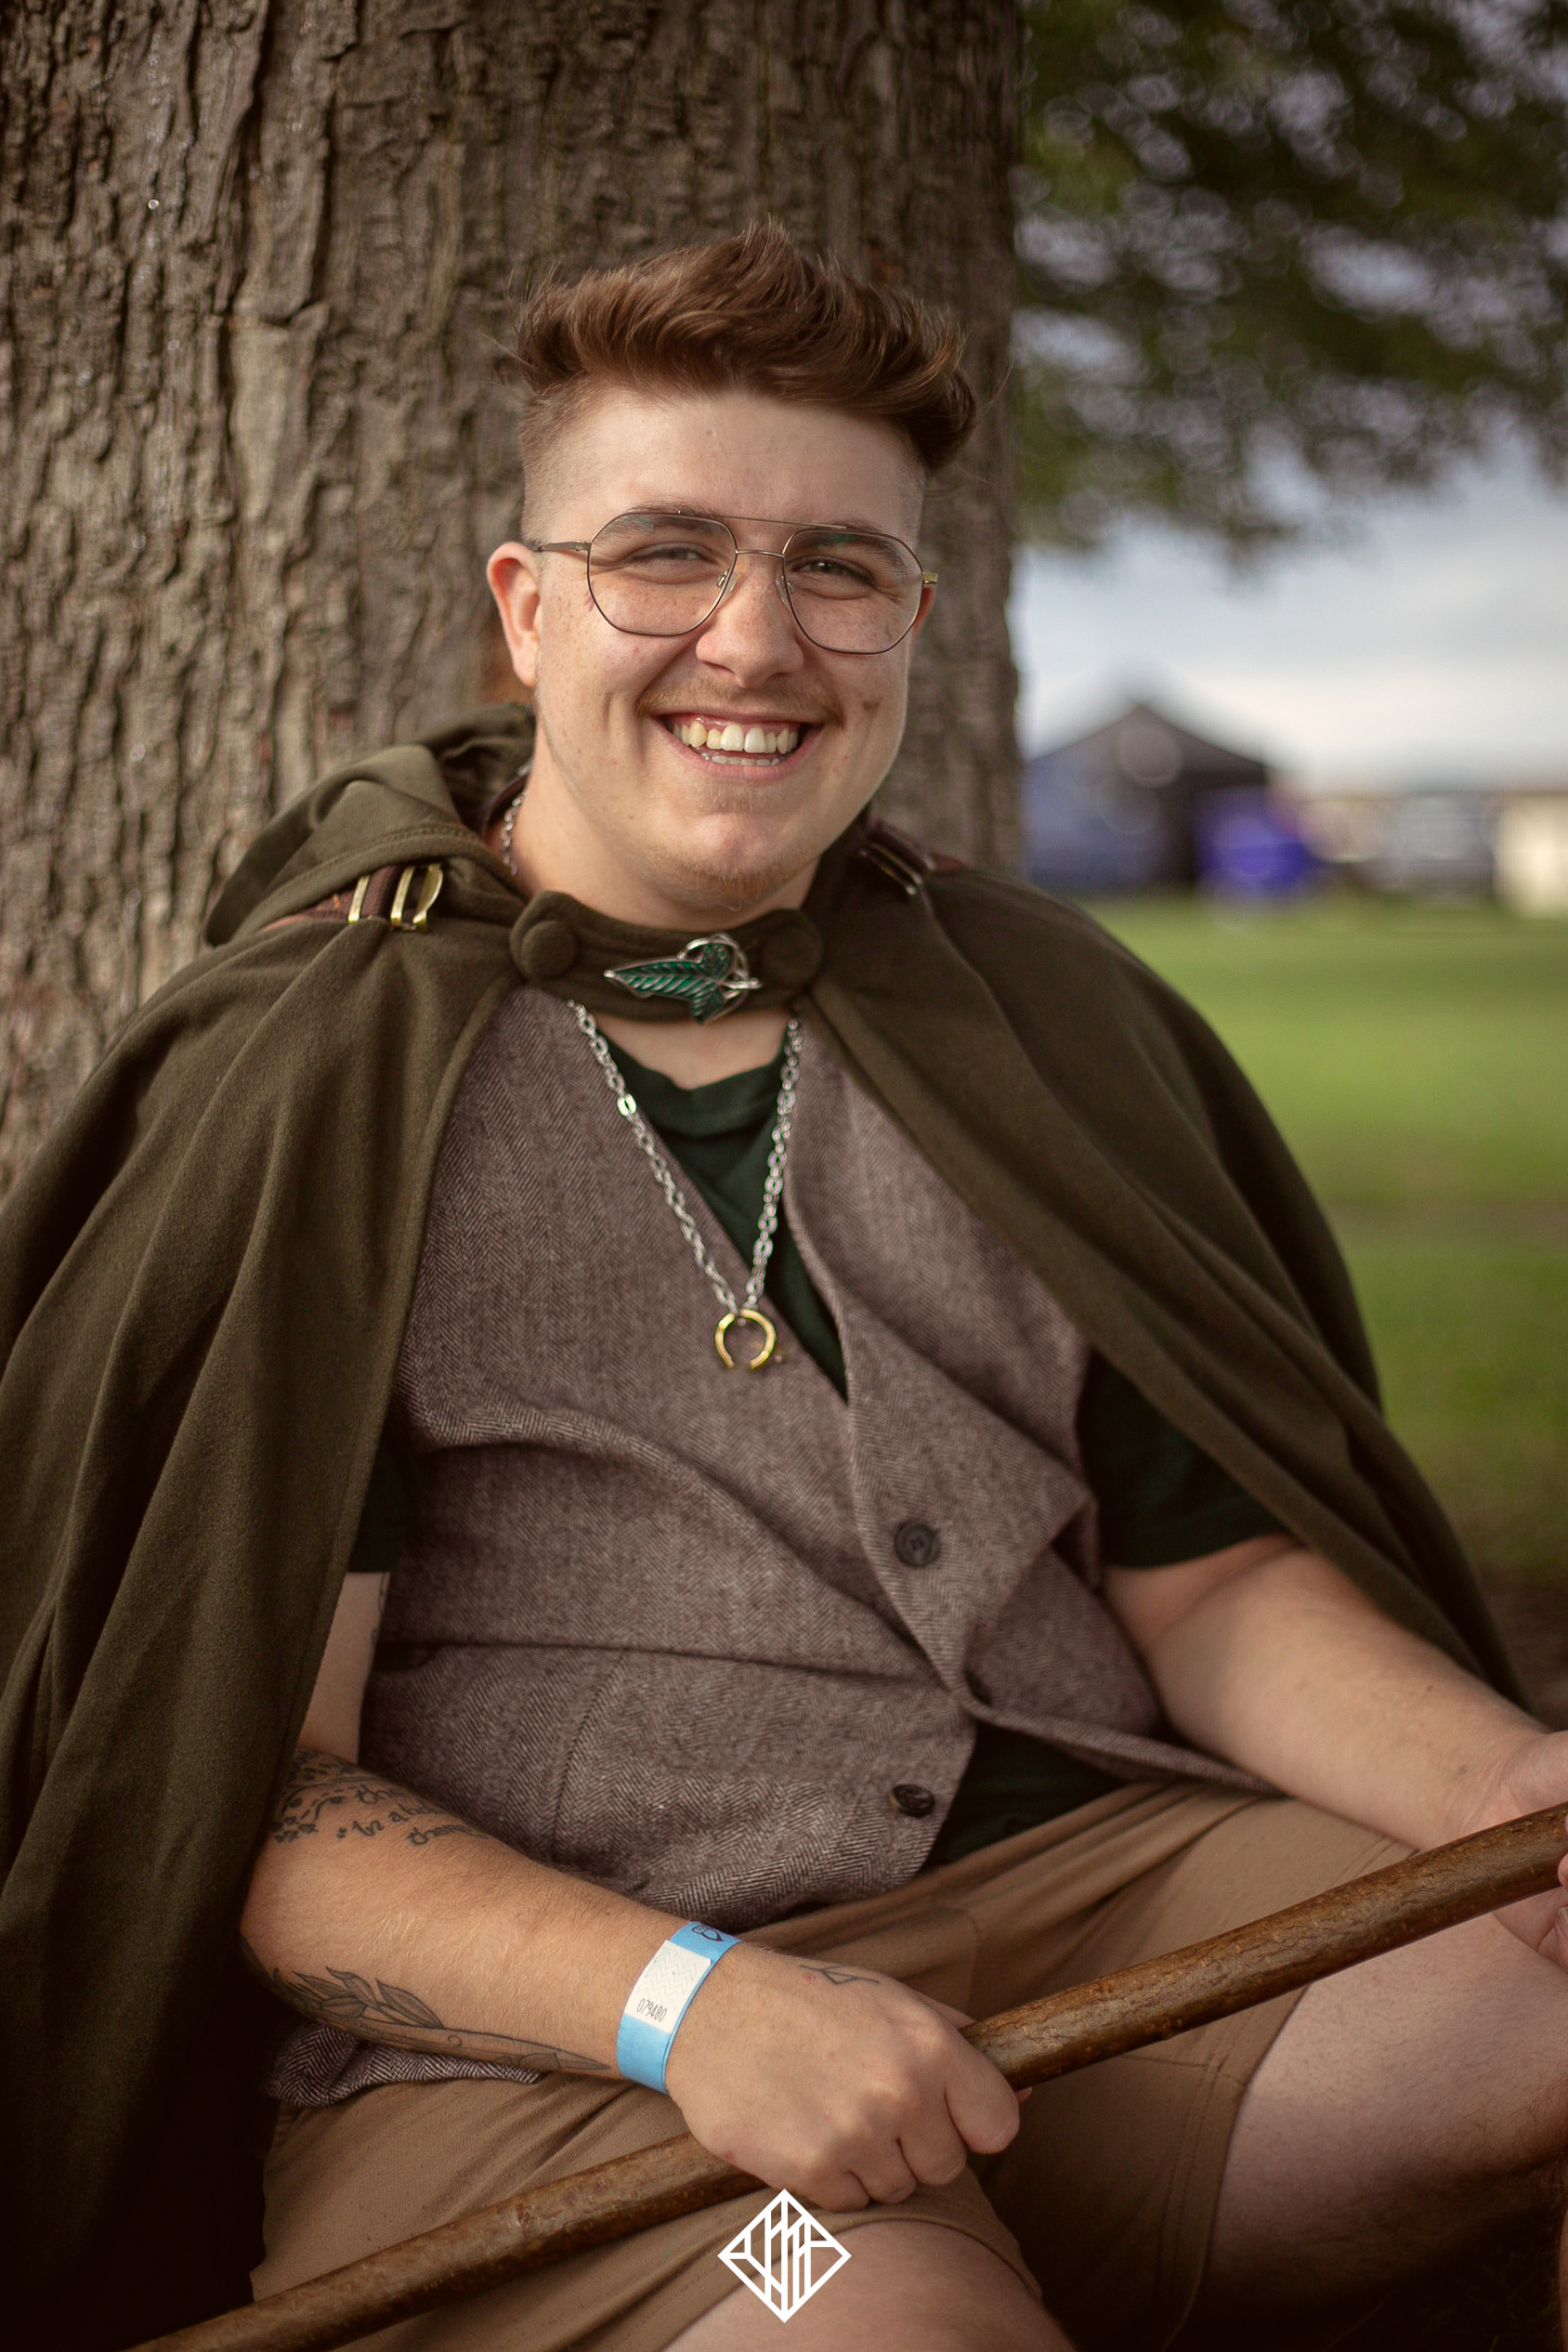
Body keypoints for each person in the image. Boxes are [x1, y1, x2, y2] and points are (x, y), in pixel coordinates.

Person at [2, 225, 1565, 2352]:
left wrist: (1502, 1801)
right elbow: (236, 1777)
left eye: (839, 568)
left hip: (1113, 1935)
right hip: (576, 2063)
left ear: (912, 619)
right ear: (525, 608)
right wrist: (691, 2003)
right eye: (663, 554)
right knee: (878, 2327)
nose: (755, 640)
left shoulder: (1040, 1023)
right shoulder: (314, 1091)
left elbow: (1206, 1588)